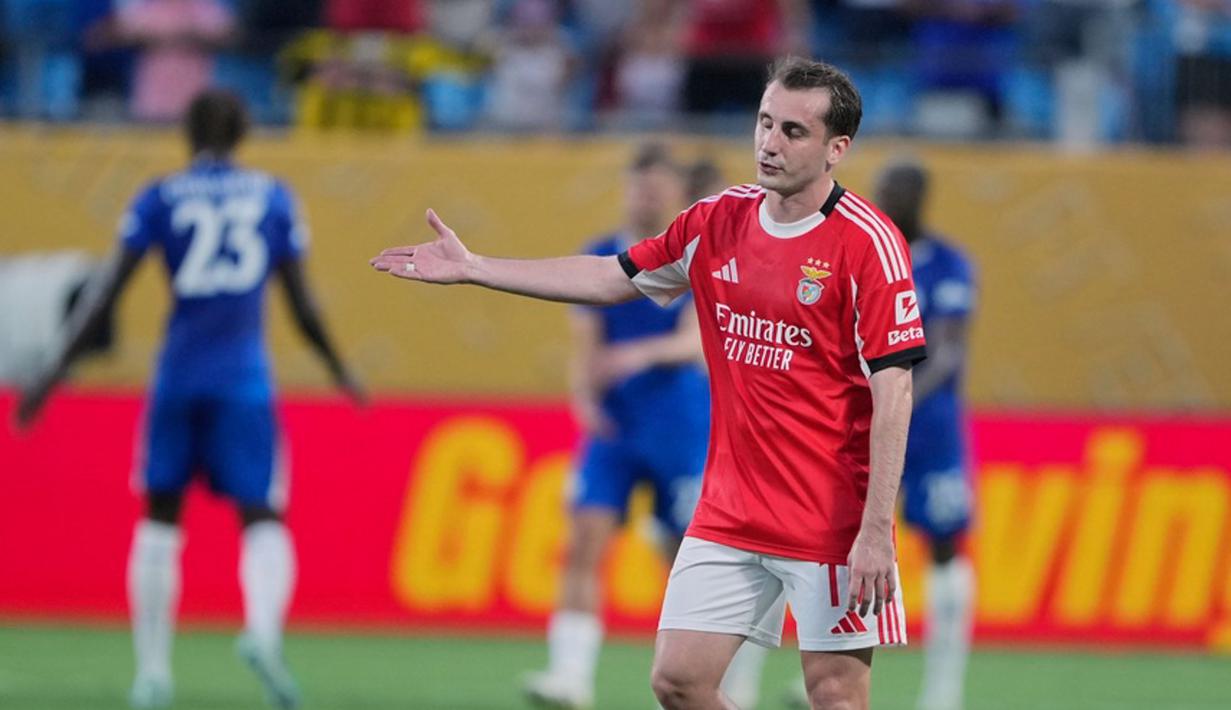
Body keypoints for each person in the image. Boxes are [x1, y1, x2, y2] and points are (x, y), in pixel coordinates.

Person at [371, 56, 925, 710]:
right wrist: (476, 267)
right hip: (731, 510)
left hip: (830, 515)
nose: (769, 143)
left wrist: (871, 531)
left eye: (793, 132)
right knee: (677, 681)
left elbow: (894, 393)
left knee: (833, 692)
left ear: (837, 148)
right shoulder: (717, 220)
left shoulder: (868, 244)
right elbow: (610, 278)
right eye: (763, 122)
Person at [17, 90, 363, 710]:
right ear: (244, 131)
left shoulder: (159, 196)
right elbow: (302, 303)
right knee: (262, 515)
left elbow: (103, 294)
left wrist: (49, 376)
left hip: (177, 374)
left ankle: (152, 672)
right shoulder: (273, 197)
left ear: (187, 130)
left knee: (159, 521)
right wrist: (339, 369)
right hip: (244, 379)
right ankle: (262, 633)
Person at [522, 143, 707, 708]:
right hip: (616, 430)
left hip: (679, 426)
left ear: (677, 192)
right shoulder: (601, 254)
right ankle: (570, 676)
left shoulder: (698, 256)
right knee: (584, 542)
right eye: (639, 185)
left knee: (689, 561)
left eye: (658, 186)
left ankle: (702, 675)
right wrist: (581, 399)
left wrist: (639, 355)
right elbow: (585, 341)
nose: (647, 195)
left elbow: (698, 341)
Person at [875, 159, 975, 710]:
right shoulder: (864, 254)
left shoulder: (949, 263)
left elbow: (947, 348)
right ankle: (828, 671)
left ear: (920, 198)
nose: (889, 198)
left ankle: (943, 692)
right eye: (886, 188)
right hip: (868, 422)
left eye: (899, 190)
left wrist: (900, 399)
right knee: (851, 542)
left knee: (942, 545)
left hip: (929, 426)